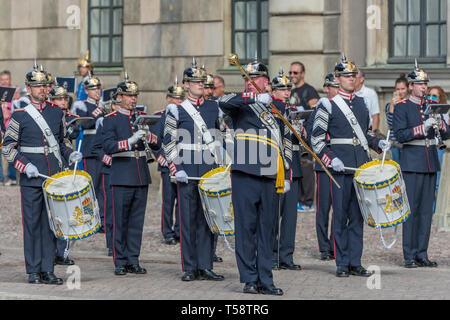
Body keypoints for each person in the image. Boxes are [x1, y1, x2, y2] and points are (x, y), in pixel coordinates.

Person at [2, 63, 82, 284]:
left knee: (51, 225)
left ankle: (48, 269)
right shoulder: (20, 116)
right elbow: (8, 147)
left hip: (53, 176)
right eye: (37, 86)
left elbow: (63, 141)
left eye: (45, 86)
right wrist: (23, 165)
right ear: (29, 88)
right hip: (30, 177)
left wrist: (70, 154)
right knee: (33, 225)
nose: (42, 90)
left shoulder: (57, 112)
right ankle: (33, 270)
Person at [310, 55, 390, 277]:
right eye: (346, 76)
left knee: (357, 216)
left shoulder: (362, 103)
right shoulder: (327, 104)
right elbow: (316, 140)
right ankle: (341, 263)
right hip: (339, 168)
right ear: (337, 78)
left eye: (353, 75)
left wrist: (377, 143)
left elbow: (364, 135)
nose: (351, 79)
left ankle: (355, 261)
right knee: (340, 215)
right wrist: (330, 158)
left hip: (360, 168)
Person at [218, 60, 291, 295]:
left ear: (266, 82)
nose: (250, 82)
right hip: (244, 173)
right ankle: (249, 278)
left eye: (255, 78)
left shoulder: (277, 107)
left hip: (270, 174)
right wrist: (252, 98)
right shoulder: (242, 104)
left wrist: (286, 172)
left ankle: (266, 279)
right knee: (245, 228)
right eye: (247, 79)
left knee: (267, 229)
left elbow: (287, 142)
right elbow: (223, 102)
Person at [163, 59, 225, 282]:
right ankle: (190, 266)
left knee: (208, 220)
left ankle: (206, 264)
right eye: (196, 81)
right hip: (187, 170)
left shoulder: (213, 107)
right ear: (187, 84)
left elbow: (223, 136)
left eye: (203, 81)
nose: (201, 85)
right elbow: (169, 142)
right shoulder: (176, 110)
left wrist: (221, 165)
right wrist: (176, 167)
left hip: (209, 170)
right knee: (188, 220)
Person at [393, 62, 449, 268]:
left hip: (430, 161)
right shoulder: (402, 107)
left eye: (425, 83)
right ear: (410, 86)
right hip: (412, 162)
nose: (423, 87)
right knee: (412, 211)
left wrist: (442, 124)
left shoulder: (431, 107)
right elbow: (400, 135)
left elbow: (446, 134)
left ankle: (421, 253)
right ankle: (409, 254)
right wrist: (421, 128)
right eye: (419, 84)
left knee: (427, 212)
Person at [103, 74, 160, 275]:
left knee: (136, 222)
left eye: (135, 95)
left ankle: (133, 259)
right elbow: (108, 146)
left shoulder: (140, 118)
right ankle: (120, 261)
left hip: (140, 174)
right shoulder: (110, 120)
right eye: (129, 95)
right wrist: (129, 141)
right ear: (119, 97)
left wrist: (150, 135)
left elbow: (157, 143)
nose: (133, 99)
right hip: (121, 174)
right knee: (120, 221)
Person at [270, 68, 302, 271]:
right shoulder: (269, 110)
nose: (286, 92)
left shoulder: (294, 111)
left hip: (294, 167)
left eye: (288, 89)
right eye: (282, 89)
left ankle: (286, 256)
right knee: (273, 215)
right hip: (275, 167)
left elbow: (302, 140)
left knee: (290, 218)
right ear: (273, 91)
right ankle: (271, 255)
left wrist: (301, 131)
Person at [307, 73, 339, 261]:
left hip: (341, 161)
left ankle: (336, 243)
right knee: (323, 208)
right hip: (325, 163)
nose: (337, 89)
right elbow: (313, 133)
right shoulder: (321, 106)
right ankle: (324, 246)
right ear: (327, 88)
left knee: (340, 207)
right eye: (334, 86)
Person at [48, 85, 80, 266]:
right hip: (52, 165)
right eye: (59, 99)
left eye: (65, 99)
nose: (63, 102)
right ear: (51, 101)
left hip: (66, 164)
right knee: (52, 212)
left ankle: (62, 251)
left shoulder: (70, 117)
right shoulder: (49, 116)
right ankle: (50, 251)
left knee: (66, 211)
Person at [73, 74, 105, 232]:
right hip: (90, 148)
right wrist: (99, 110)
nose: (97, 91)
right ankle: (90, 218)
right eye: (93, 89)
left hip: (104, 149)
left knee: (103, 187)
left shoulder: (105, 105)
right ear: (86, 90)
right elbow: (85, 124)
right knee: (91, 187)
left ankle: (103, 220)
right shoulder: (82, 105)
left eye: (98, 88)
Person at [155, 78, 183, 245]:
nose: (178, 101)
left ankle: (179, 230)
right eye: (175, 98)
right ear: (168, 98)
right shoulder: (161, 116)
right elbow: (156, 140)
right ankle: (167, 232)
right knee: (168, 201)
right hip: (167, 164)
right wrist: (160, 156)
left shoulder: (185, 114)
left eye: (180, 98)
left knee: (181, 200)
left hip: (182, 162)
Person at [289, 61, 317, 213]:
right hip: (295, 135)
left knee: (306, 166)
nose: (292, 75)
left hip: (306, 136)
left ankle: (308, 201)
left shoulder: (309, 91)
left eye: (295, 72)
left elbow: (315, 111)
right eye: (291, 72)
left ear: (303, 74)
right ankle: (300, 199)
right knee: (297, 165)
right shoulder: (292, 92)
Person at [385, 74, 409, 164]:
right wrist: (392, 106)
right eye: (398, 89)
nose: (400, 92)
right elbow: (391, 124)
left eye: (403, 89)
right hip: (394, 144)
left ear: (407, 89)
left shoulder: (409, 104)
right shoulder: (389, 105)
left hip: (406, 143)